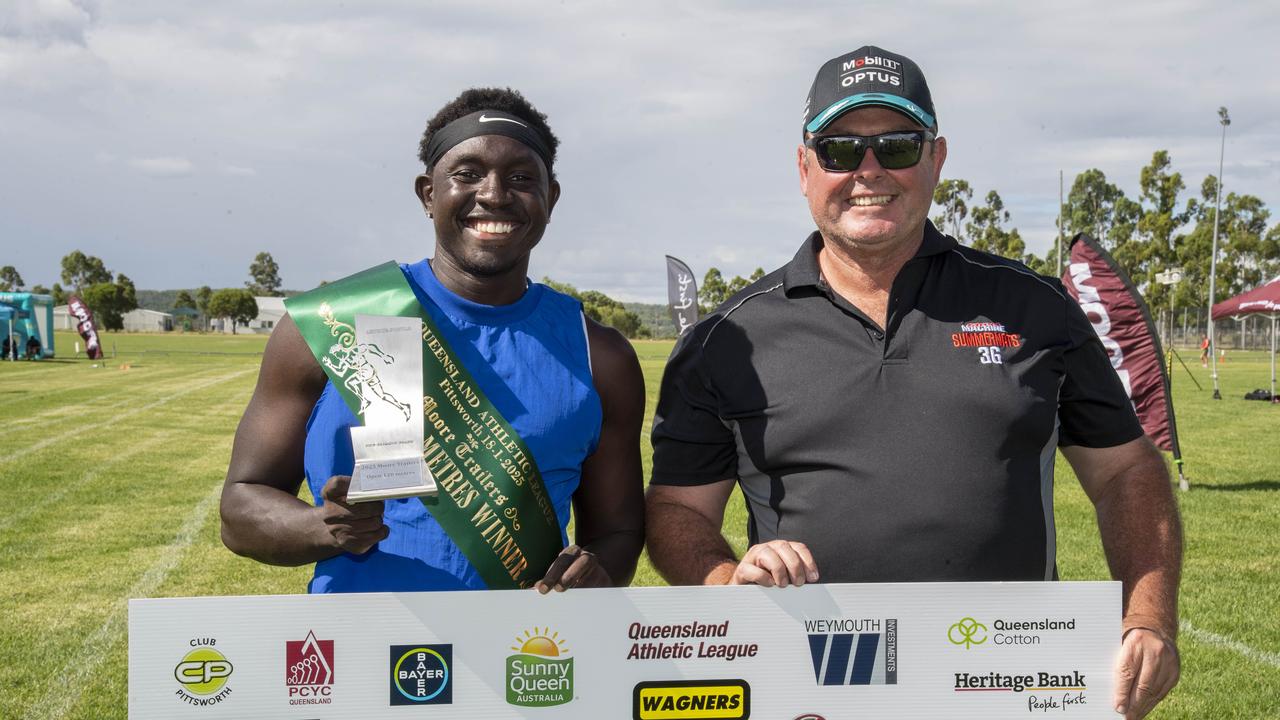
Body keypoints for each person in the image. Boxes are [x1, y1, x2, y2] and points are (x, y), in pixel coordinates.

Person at [646, 47, 1181, 720]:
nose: (868, 172)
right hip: (812, 691)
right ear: (804, 167)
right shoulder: (727, 338)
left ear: (937, 158)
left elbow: (1127, 472)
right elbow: (676, 512)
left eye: (896, 146)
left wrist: (1149, 616)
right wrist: (727, 583)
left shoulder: (1034, 306)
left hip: (1006, 685)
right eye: (840, 150)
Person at [221, 87, 645, 595]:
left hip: (523, 659)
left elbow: (617, 533)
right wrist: (323, 527)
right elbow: (241, 507)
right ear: (428, 193)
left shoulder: (600, 355)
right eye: (467, 174)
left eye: (521, 178)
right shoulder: (338, 321)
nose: (493, 194)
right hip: (359, 650)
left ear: (550, 198)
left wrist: (597, 570)